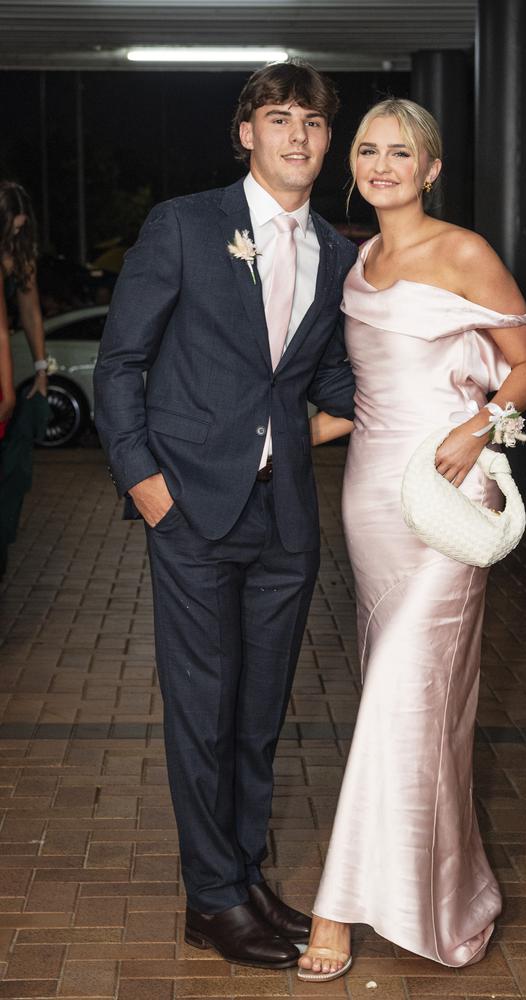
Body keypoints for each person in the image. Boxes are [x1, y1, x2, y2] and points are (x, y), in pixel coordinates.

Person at [93, 61, 358, 969]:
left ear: (329, 141)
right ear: (246, 132)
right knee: (203, 712)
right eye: (279, 119)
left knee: (257, 715)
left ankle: (244, 877)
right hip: (191, 514)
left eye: (313, 123)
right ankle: (210, 899)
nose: (297, 137)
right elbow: (119, 363)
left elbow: (324, 382)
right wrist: (145, 484)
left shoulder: (336, 251)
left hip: (285, 519)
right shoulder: (185, 225)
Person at [298, 99, 526, 981]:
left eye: (400, 152)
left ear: (431, 167)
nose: (381, 164)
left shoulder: (466, 252)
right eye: (367, 149)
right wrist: (267, 437)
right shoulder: (354, 260)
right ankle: (450, 889)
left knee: (402, 687)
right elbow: (361, 398)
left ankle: (336, 907)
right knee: (417, 707)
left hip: (447, 493)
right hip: (371, 499)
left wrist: (481, 426)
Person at [0, 181, 50, 578]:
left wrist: (40, 369)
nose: (16, 235)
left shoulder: (18, 255)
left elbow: (30, 314)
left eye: (20, 229)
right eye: (10, 229)